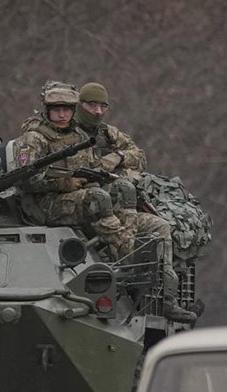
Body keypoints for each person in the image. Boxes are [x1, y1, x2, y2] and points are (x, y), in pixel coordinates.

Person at [74, 82, 196, 323]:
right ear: (79, 106)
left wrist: (117, 156)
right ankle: (127, 272)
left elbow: (139, 157)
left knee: (159, 227)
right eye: (91, 105)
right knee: (120, 230)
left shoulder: (107, 134)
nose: (97, 112)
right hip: (87, 205)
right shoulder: (69, 133)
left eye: (102, 106)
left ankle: (165, 298)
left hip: (117, 202)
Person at [12, 81, 132, 262]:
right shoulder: (33, 139)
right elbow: (25, 180)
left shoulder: (79, 136)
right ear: (47, 111)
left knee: (122, 189)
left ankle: (124, 246)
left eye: (66, 110)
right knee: (98, 198)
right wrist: (63, 183)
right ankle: (125, 255)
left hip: (75, 196)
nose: (62, 115)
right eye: (56, 110)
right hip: (43, 204)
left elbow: (91, 166)